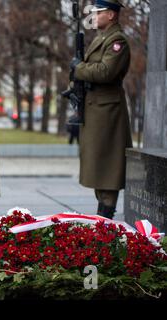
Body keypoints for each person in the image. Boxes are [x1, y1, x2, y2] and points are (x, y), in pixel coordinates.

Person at [70, 0, 132, 219]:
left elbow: (106, 72)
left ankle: (106, 219)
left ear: (112, 15)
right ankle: (102, 218)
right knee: (98, 164)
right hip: (95, 108)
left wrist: (79, 68)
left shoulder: (117, 41)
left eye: (98, 12)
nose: (94, 16)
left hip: (107, 111)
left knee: (107, 165)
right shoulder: (101, 38)